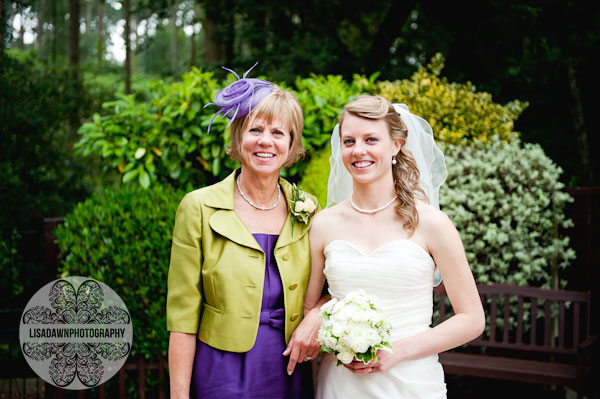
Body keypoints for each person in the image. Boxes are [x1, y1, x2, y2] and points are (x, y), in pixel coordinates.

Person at [293, 95, 485, 398]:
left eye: (371, 139)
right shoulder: (323, 224)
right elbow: (309, 304)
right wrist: (319, 314)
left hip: (411, 382)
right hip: (341, 385)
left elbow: (472, 319)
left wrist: (399, 350)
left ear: (396, 144)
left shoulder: (432, 224)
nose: (358, 151)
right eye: (349, 141)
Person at [166, 64, 319, 399]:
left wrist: (317, 313)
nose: (266, 141)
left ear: (292, 144)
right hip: (221, 370)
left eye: (279, 133)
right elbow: (182, 316)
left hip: (292, 368)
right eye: (255, 130)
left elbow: (333, 285)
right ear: (238, 137)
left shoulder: (308, 209)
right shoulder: (198, 206)